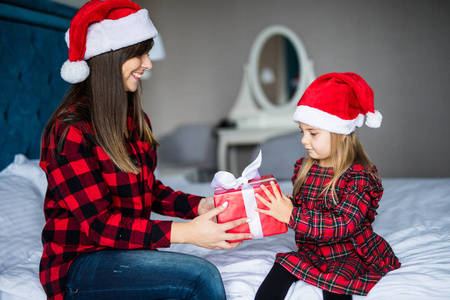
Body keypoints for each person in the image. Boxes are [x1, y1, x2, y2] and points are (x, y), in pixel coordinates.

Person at [39, 1, 253, 299]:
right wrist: (186, 233)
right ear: (109, 59)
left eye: (147, 53)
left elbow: (147, 190)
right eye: (139, 54)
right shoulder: (70, 130)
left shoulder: (133, 119)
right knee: (200, 277)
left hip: (125, 249)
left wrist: (199, 206)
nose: (148, 64)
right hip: (80, 263)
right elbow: (100, 225)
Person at [253, 72, 401, 300]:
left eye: (313, 133)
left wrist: (291, 215)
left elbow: (344, 224)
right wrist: (284, 205)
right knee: (282, 266)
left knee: (336, 286)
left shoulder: (358, 177)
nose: (304, 140)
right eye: (302, 132)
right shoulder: (304, 168)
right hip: (313, 249)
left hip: (348, 252)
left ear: (342, 134)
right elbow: (306, 206)